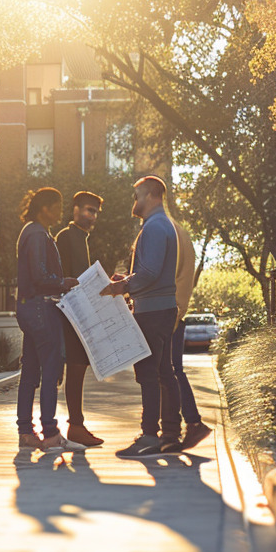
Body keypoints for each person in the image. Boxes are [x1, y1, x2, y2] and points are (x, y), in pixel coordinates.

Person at [100, 176, 183, 458]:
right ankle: (170, 433)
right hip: (160, 308)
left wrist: (120, 287)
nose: (134, 202)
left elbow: (149, 273)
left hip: (152, 311)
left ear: (150, 196)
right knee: (163, 372)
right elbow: (151, 272)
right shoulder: (160, 225)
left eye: (136, 196)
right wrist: (127, 280)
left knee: (149, 373)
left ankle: (149, 436)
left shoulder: (155, 227)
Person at [15, 187, 83, 451]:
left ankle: (26, 432)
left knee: (30, 371)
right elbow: (39, 276)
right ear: (45, 207)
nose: (60, 211)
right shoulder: (37, 234)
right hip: (42, 309)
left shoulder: (33, 232)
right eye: (57, 205)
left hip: (29, 309)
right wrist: (64, 283)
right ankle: (51, 434)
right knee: (50, 370)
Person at [55, 191, 105, 447]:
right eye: (88, 209)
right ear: (74, 209)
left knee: (78, 367)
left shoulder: (81, 238)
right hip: (67, 314)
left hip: (79, 312)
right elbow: (61, 275)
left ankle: (75, 425)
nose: (91, 215)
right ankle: (71, 427)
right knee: (72, 368)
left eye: (95, 212)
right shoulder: (66, 237)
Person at [168, 214, 213, 451]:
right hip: (175, 312)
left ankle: (186, 424)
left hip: (169, 314)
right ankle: (180, 425)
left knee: (169, 372)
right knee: (171, 372)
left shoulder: (167, 232)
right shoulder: (180, 234)